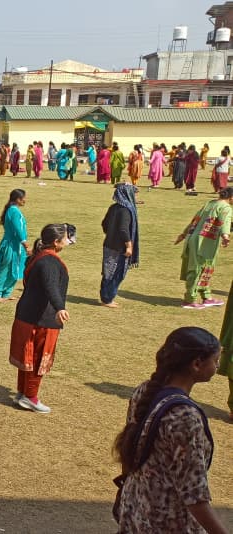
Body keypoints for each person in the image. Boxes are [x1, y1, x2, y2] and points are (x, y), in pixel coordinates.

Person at [113, 327, 224, 534]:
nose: (217, 366)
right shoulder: (185, 417)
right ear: (197, 364)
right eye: (215, 360)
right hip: (167, 520)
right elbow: (194, 495)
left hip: (136, 508)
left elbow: (131, 449)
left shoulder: (145, 391)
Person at [10, 223, 71, 414]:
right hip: (41, 319)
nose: (68, 240)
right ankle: (31, 397)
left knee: (27, 357)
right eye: (65, 237)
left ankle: (22, 393)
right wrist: (60, 307)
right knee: (38, 358)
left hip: (26, 314)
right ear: (56, 242)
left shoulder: (37, 256)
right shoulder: (50, 262)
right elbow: (50, 286)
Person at [176, 187, 233, 309]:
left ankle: (206, 297)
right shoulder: (226, 208)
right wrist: (225, 235)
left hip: (194, 238)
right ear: (231, 197)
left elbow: (195, 220)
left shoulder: (210, 203)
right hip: (204, 242)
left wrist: (184, 234)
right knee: (197, 269)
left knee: (206, 268)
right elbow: (225, 221)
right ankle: (189, 300)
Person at [101, 184, 140, 308]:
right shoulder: (126, 210)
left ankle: (106, 297)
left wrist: (111, 234)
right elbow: (123, 229)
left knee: (108, 272)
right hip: (119, 248)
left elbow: (104, 224)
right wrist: (129, 245)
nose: (135, 196)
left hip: (109, 244)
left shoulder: (114, 207)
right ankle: (107, 298)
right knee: (116, 273)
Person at [0, 189, 29, 302]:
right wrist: (24, 242)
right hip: (12, 245)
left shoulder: (13, 210)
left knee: (15, 269)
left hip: (16, 245)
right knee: (7, 268)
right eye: (24, 198)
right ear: (18, 199)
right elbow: (18, 228)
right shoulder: (14, 211)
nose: (25, 200)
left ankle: (6, 293)